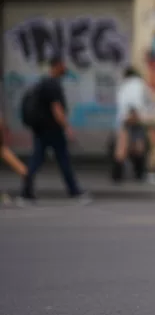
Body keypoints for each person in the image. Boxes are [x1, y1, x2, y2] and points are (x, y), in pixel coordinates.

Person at [18, 57, 90, 205]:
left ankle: (26, 192)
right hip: (52, 129)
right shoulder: (52, 85)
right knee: (60, 160)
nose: (65, 68)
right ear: (57, 66)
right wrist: (67, 127)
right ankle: (74, 191)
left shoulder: (44, 82)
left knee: (39, 159)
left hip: (42, 129)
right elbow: (56, 109)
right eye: (63, 65)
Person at [111, 67, 155, 184]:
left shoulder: (123, 85)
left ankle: (117, 175)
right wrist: (135, 114)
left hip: (124, 118)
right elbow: (136, 101)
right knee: (137, 146)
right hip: (135, 117)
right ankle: (139, 174)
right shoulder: (138, 84)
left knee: (122, 147)